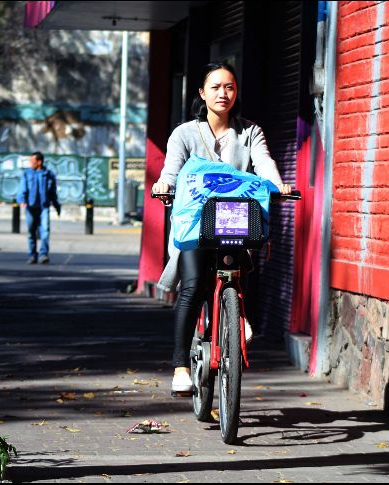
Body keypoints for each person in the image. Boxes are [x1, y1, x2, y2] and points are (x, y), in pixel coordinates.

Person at [152, 61, 292, 393]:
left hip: (234, 220)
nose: (222, 93)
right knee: (192, 286)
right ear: (202, 93)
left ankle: (236, 311)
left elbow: (264, 163)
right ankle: (179, 367)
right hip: (196, 225)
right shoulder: (185, 133)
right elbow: (171, 170)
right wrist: (163, 183)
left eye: (229, 86)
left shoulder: (250, 132)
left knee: (247, 264)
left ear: (236, 92)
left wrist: (278, 185)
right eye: (215, 87)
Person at [16, 151, 61, 264]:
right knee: (31, 232)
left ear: (39, 162)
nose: (30, 163)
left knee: (45, 231)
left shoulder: (48, 175)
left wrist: (56, 206)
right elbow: (22, 189)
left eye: (32, 161)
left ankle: (43, 254)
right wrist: (22, 200)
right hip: (30, 208)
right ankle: (32, 255)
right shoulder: (27, 174)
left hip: (44, 208)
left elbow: (53, 193)